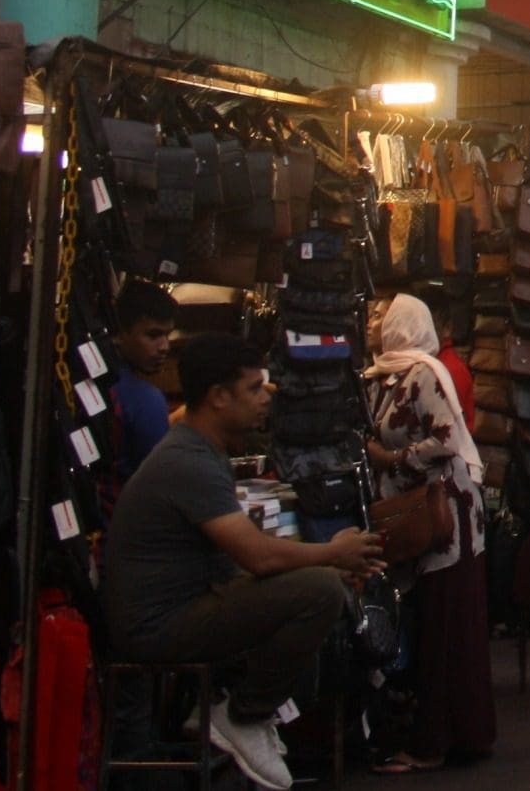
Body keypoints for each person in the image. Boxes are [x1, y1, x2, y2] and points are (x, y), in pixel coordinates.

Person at [103, 334, 383, 791]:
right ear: (218, 396)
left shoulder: (201, 451)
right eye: (253, 389)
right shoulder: (186, 460)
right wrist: (332, 553)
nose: (264, 399)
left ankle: (242, 714)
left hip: (186, 606)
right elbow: (257, 554)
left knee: (322, 584)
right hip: (157, 628)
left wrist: (328, 564)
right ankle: (243, 716)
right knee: (321, 592)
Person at [361, 294, 494, 773]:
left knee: (444, 626)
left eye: (382, 314)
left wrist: (395, 459)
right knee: (431, 622)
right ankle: (442, 731)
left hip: (444, 518)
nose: (372, 321)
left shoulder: (425, 374)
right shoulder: (381, 376)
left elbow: (447, 440)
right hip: (413, 517)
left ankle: (437, 741)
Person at [107, 279, 179, 483]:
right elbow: (160, 481)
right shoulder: (143, 399)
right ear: (119, 334)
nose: (165, 346)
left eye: (168, 335)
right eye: (153, 335)